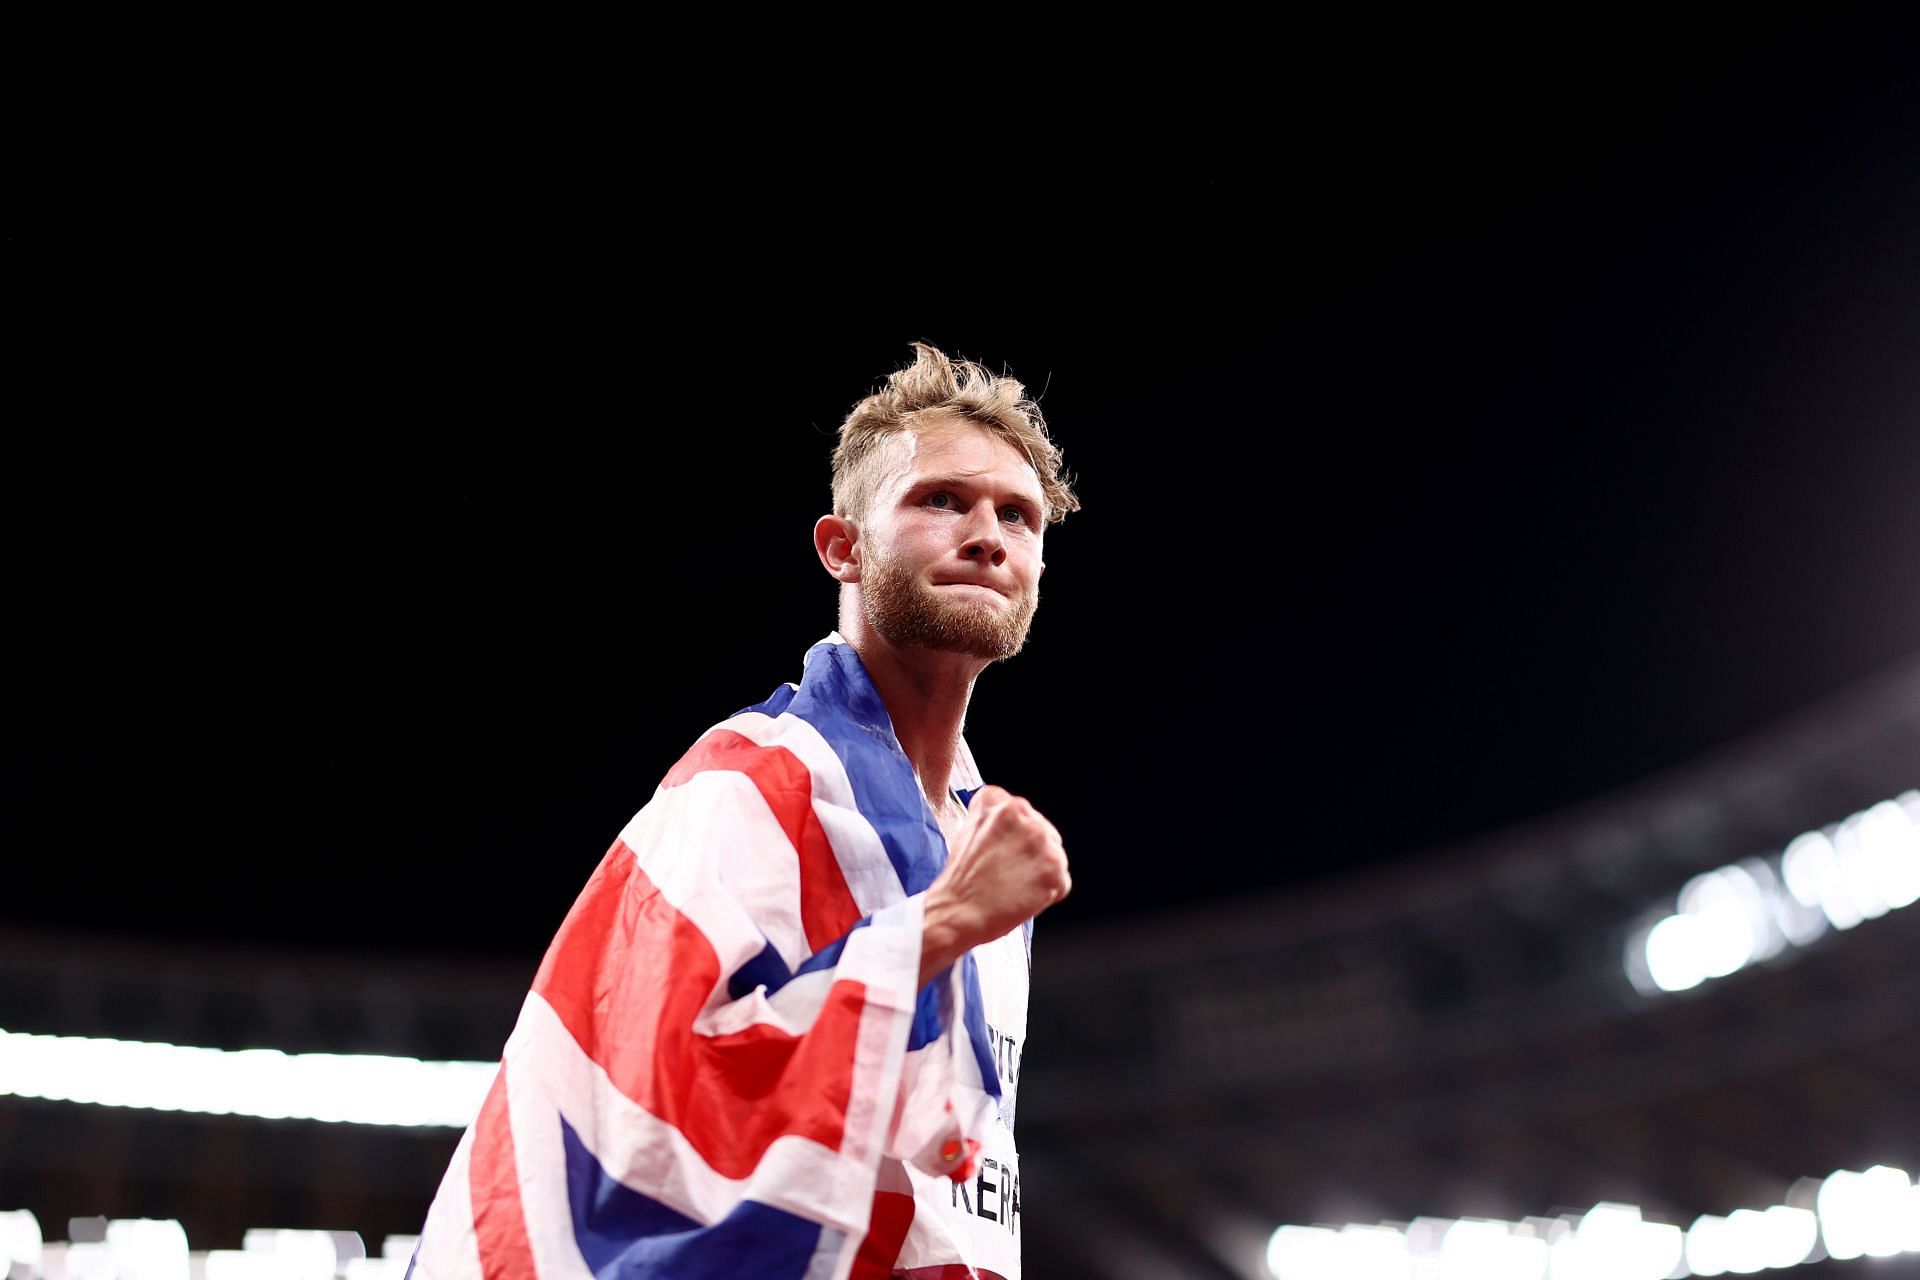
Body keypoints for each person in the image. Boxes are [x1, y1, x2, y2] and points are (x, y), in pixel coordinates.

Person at [411, 343, 1078, 1280]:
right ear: (843, 548)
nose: (988, 535)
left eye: (1019, 516)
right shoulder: (750, 784)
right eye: (941, 501)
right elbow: (642, 1108)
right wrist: (938, 925)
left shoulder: (981, 834)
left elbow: (954, 1194)